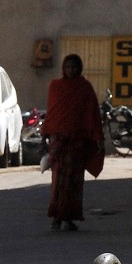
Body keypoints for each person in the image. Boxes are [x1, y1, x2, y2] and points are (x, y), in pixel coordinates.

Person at [42, 53, 103, 231]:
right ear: (63, 68)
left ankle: (69, 218)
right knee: (58, 182)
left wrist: (98, 139)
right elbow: (52, 114)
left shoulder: (85, 88)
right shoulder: (56, 87)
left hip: (77, 144)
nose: (71, 70)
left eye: (74, 67)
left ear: (80, 68)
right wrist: (44, 138)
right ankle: (56, 217)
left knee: (74, 183)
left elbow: (93, 115)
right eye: (68, 67)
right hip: (59, 143)